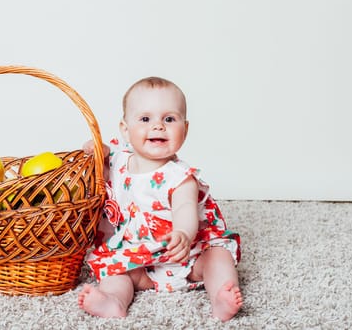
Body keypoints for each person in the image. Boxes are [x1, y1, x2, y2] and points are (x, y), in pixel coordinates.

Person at [78, 77, 242, 322]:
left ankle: (220, 296)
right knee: (116, 272)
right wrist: (94, 148)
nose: (158, 126)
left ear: (184, 129)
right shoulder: (119, 158)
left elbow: (186, 208)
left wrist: (184, 234)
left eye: (169, 119)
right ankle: (113, 301)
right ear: (125, 129)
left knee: (218, 255)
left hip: (186, 257)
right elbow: (98, 156)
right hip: (138, 258)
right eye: (145, 119)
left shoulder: (180, 177)